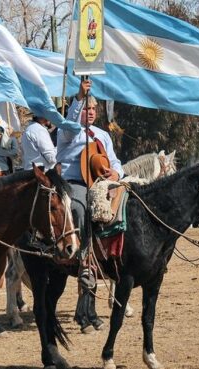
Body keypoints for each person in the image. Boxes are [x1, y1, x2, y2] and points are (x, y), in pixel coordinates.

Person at [57, 79, 123, 332]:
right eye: (87, 108)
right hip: (74, 182)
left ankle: (115, 257)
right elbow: (71, 118)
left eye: (94, 108)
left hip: (101, 184)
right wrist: (79, 97)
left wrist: (116, 175)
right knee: (81, 208)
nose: (91, 111)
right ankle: (84, 258)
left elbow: (115, 161)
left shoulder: (103, 135)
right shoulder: (68, 130)